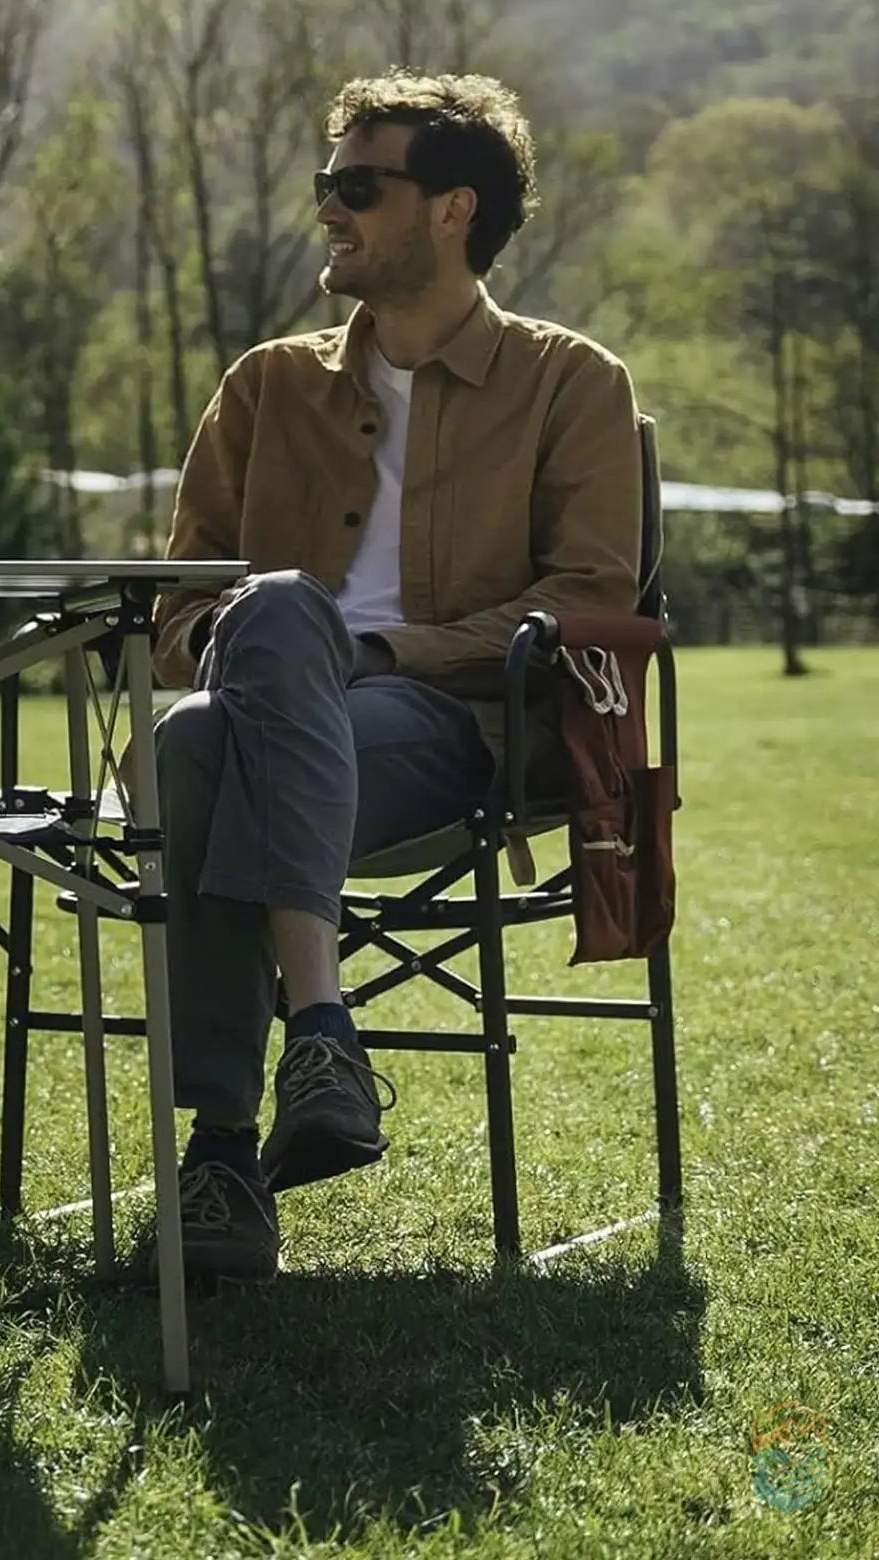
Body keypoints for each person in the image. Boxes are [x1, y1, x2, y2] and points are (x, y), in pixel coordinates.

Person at [148, 72, 641, 1285]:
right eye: (326, 183)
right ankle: (318, 1033)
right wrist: (281, 644)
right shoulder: (266, 383)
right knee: (220, 704)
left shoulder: (570, 381)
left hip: (460, 727)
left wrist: (368, 649)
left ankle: (219, 1156)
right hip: (272, 717)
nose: (328, 209)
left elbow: (588, 599)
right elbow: (173, 605)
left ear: (449, 210)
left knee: (209, 734)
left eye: (356, 187)